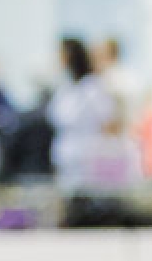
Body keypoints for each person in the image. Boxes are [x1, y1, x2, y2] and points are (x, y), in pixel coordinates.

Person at [48, 36, 119, 192]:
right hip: (64, 157)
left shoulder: (92, 87)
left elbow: (108, 121)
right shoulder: (64, 87)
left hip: (88, 158)